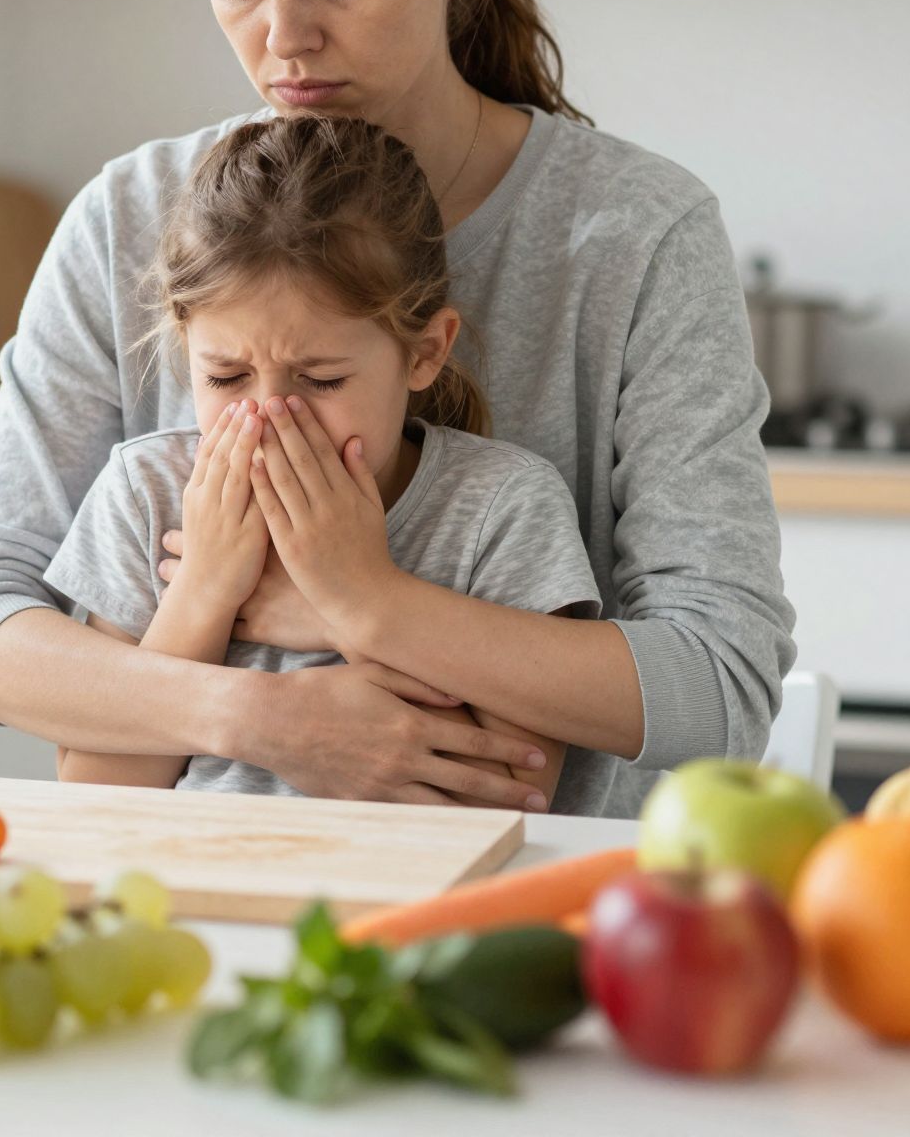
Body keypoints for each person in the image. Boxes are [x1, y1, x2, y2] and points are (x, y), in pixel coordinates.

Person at [0, 0, 795, 818]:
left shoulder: (635, 234)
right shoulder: (130, 217)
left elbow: (718, 684)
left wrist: (363, 608)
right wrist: (264, 721)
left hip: (524, 895)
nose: (284, 38)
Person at [49, 116, 598, 811]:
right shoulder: (147, 495)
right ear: (186, 347)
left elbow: (510, 795)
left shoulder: (501, 508)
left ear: (426, 352)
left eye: (322, 379)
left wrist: (350, 602)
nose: (269, 417)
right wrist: (204, 592)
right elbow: (93, 793)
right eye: (225, 377)